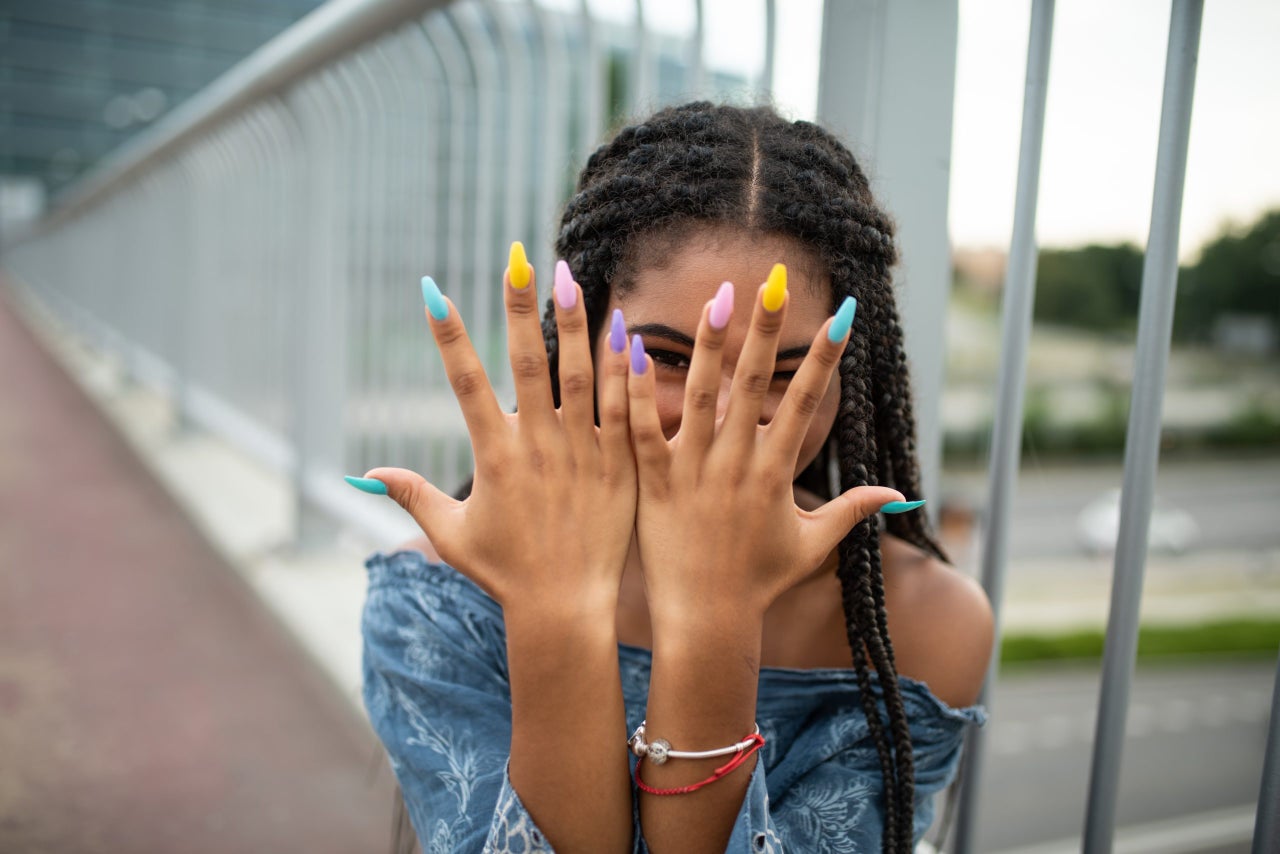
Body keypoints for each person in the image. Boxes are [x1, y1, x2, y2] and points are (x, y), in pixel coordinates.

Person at [347, 102, 995, 854]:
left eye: (781, 372)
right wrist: (555, 609)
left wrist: (712, 613)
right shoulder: (436, 603)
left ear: (848, 380)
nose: (719, 414)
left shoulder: (927, 624)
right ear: (580, 340)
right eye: (672, 356)